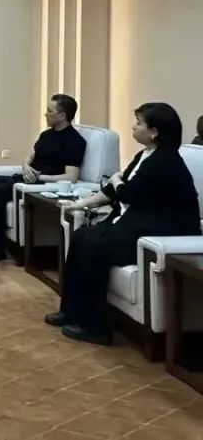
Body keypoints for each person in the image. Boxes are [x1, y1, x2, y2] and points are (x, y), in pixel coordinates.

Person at [46, 102, 200, 345]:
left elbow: (126, 193)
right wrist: (80, 204)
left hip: (159, 231)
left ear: (154, 132)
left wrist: (117, 180)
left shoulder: (165, 161)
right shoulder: (145, 155)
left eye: (139, 123)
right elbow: (112, 190)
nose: (133, 127)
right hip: (136, 223)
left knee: (93, 247)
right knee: (81, 237)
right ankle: (71, 312)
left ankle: (96, 327)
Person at [0, 94, 87, 264]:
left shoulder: (75, 141)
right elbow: (28, 158)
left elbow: (71, 176)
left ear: (62, 115)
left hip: (41, 184)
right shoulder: (46, 135)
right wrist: (26, 167)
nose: (45, 114)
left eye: (49, 111)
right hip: (24, 178)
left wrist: (39, 176)